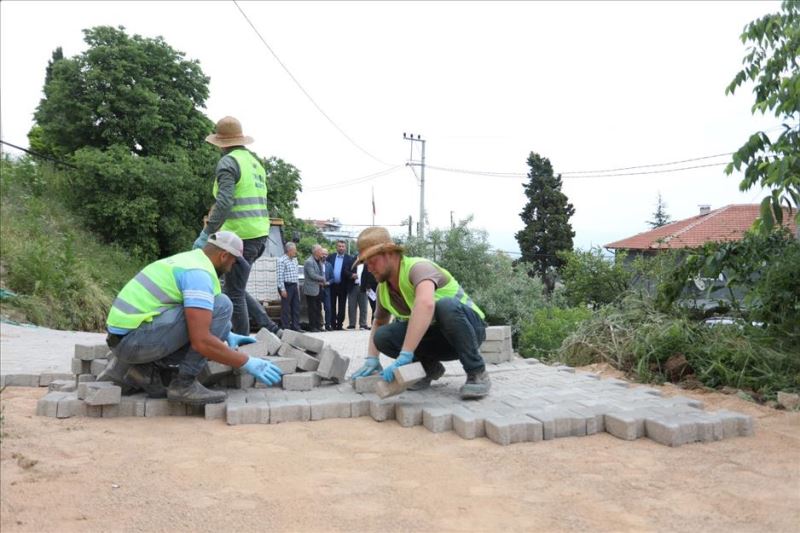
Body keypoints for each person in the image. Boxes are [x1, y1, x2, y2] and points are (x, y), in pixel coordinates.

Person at [102, 231, 283, 404]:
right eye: (234, 261)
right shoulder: (198, 274)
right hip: (132, 342)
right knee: (222, 305)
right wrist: (247, 361)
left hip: (125, 339)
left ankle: (146, 370)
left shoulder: (190, 261)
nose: (232, 267)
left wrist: (226, 332)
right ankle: (184, 384)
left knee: (217, 313)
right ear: (224, 256)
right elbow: (201, 342)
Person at [349, 227, 491, 399]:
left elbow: (425, 304)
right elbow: (379, 322)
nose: (369, 268)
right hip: (441, 341)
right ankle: (428, 369)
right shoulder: (383, 290)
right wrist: (372, 359)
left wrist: (405, 355)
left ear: (390, 253)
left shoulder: (418, 268)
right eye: (365, 263)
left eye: (372, 260)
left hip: (470, 331)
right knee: (383, 336)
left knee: (444, 305)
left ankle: (477, 371)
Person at [192, 116, 270, 336]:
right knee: (236, 288)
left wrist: (207, 232)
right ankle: (271, 328)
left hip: (239, 236)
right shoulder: (255, 163)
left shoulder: (228, 162)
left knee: (233, 293)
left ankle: (240, 344)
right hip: (259, 234)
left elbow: (225, 201)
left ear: (221, 143)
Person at [326, 240, 356, 330]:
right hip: (332, 285)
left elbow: (352, 271)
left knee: (342, 306)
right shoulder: (330, 257)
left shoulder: (349, 258)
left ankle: (339, 325)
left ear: (345, 248)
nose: (341, 248)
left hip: (343, 286)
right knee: (332, 305)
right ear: (336, 247)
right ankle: (332, 324)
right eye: (339, 246)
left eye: (343, 246)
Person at [277, 242, 302, 331]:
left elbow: (296, 275)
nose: (296, 252)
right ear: (289, 250)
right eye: (294, 250)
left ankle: (296, 326)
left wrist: (297, 287)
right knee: (286, 308)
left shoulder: (295, 260)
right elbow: (280, 276)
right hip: (286, 286)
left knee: (296, 307)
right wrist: (282, 289)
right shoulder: (281, 260)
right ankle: (286, 327)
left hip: (294, 285)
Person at [302, 244, 326, 332]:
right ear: (315, 252)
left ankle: (318, 325)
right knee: (312, 309)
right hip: (311, 289)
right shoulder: (309, 261)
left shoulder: (319, 261)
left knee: (318, 308)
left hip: (318, 289)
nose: (322, 252)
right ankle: (312, 327)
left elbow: (320, 272)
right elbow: (312, 275)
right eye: (320, 251)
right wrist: (323, 279)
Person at [348, 257, 369, 329]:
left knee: (364, 306)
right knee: (351, 306)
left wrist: (368, 285)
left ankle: (363, 324)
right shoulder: (351, 260)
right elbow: (345, 270)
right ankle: (352, 324)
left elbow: (370, 274)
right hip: (353, 286)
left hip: (363, 287)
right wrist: (351, 275)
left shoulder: (367, 261)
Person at [360, 263, 378, 328]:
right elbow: (364, 275)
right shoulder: (367, 263)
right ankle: (374, 324)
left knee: (378, 306)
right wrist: (363, 288)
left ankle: (375, 324)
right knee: (374, 306)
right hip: (370, 288)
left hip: (380, 286)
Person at [320, 248, 334, 331]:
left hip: (327, 289)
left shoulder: (329, 265)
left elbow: (333, 278)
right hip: (318, 288)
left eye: (326, 254)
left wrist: (328, 283)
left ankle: (328, 325)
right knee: (318, 308)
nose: (324, 255)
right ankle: (319, 325)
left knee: (328, 308)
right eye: (323, 254)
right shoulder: (317, 263)